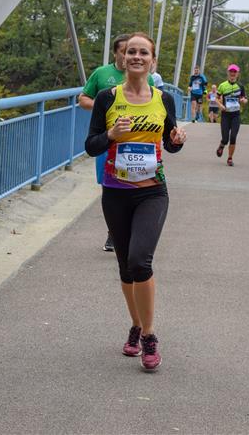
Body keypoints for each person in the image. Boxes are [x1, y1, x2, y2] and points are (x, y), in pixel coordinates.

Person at [85, 32, 187, 370]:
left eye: (144, 52)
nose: (137, 57)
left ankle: (149, 335)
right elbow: (91, 145)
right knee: (125, 267)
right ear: (122, 57)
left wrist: (176, 139)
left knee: (140, 261)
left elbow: (170, 142)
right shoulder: (107, 98)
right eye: (131, 52)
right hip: (116, 193)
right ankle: (136, 325)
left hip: (152, 192)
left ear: (153, 61)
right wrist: (111, 135)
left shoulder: (164, 99)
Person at [79, 34, 155, 252]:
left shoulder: (147, 78)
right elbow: (82, 99)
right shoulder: (102, 74)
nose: (130, 56)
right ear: (117, 53)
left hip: (137, 143)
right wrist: (104, 107)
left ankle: (128, 230)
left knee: (137, 182)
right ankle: (114, 231)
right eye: (126, 51)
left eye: (141, 52)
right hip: (108, 140)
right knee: (111, 183)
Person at [216, 64, 247, 166]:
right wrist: (220, 105)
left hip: (236, 115)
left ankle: (230, 158)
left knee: (233, 137)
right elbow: (216, 98)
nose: (232, 73)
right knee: (225, 139)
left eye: (235, 72)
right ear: (228, 73)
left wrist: (243, 100)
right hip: (225, 115)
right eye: (231, 71)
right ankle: (222, 145)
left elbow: (244, 98)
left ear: (237, 74)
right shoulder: (222, 85)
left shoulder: (240, 86)